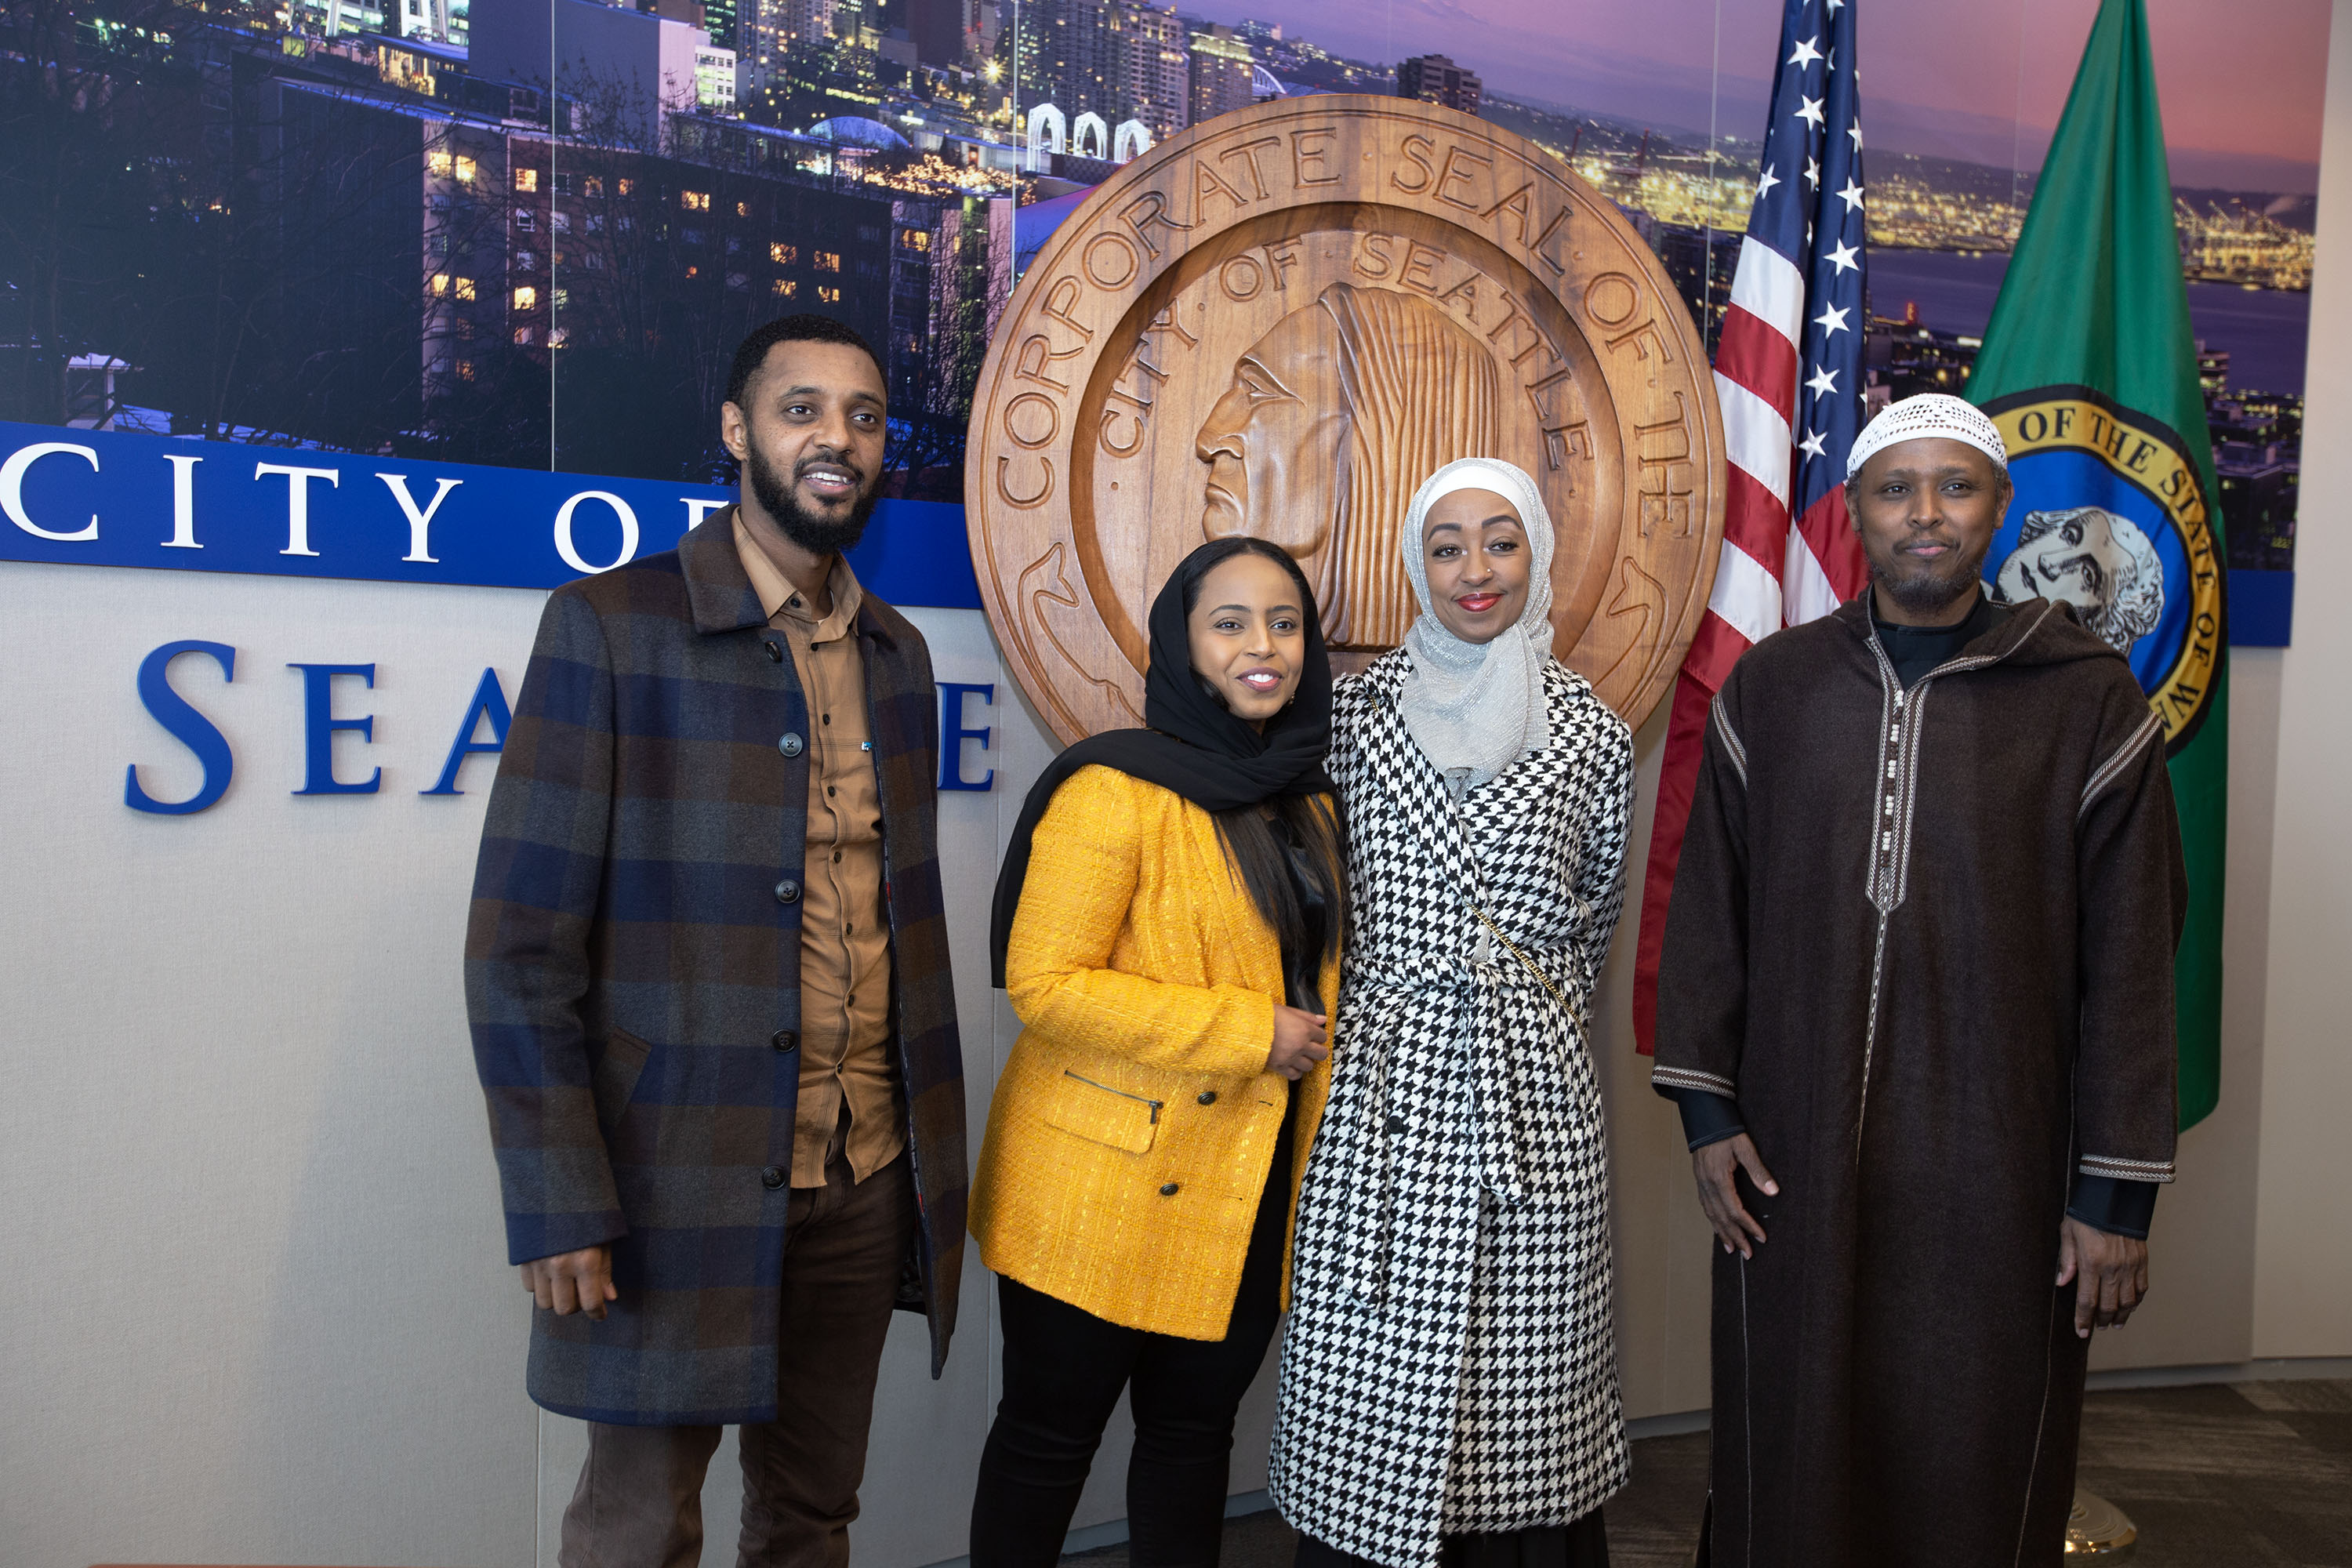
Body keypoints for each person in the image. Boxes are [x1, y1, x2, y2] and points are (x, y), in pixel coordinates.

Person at [466, 314, 967, 1567]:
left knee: (810, 1517)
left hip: (860, 1173)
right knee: (640, 1525)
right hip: (667, 1176)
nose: (836, 440)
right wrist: (557, 1200)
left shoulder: (900, 657)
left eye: (862, 415)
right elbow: (518, 954)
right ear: (739, 431)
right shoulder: (612, 625)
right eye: (802, 410)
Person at [1652, 393, 2187, 1567]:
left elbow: (2136, 958)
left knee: (1973, 1451)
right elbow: (1709, 917)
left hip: (2000, 1166)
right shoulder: (1777, 687)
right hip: (1789, 1162)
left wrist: (2117, 1197)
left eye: (1955, 487)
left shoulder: (2086, 699)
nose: (1925, 515)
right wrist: (1707, 1112)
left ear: (2001, 508)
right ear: (1857, 513)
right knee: (1786, 1448)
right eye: (1898, 490)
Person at [1272, 457, 1635, 1568]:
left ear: (1538, 555)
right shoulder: (1347, 717)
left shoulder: (1592, 732)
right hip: (1373, 1102)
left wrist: (1525, 1022)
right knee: (1366, 1408)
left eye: (1499, 542)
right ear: (1413, 568)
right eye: (1446, 546)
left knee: (1526, 1420)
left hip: (1535, 1106)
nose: (1474, 571)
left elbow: (1594, 921)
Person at [967, 535, 1345, 1567]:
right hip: (1093, 1190)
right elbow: (1047, 988)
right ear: (1183, 643)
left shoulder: (1311, 796)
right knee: (1048, 1444)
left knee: (1193, 1445)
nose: (1261, 646)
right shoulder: (1110, 789)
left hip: (1247, 1191)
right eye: (1229, 623)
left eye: (1284, 622)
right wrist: (1247, 1033)